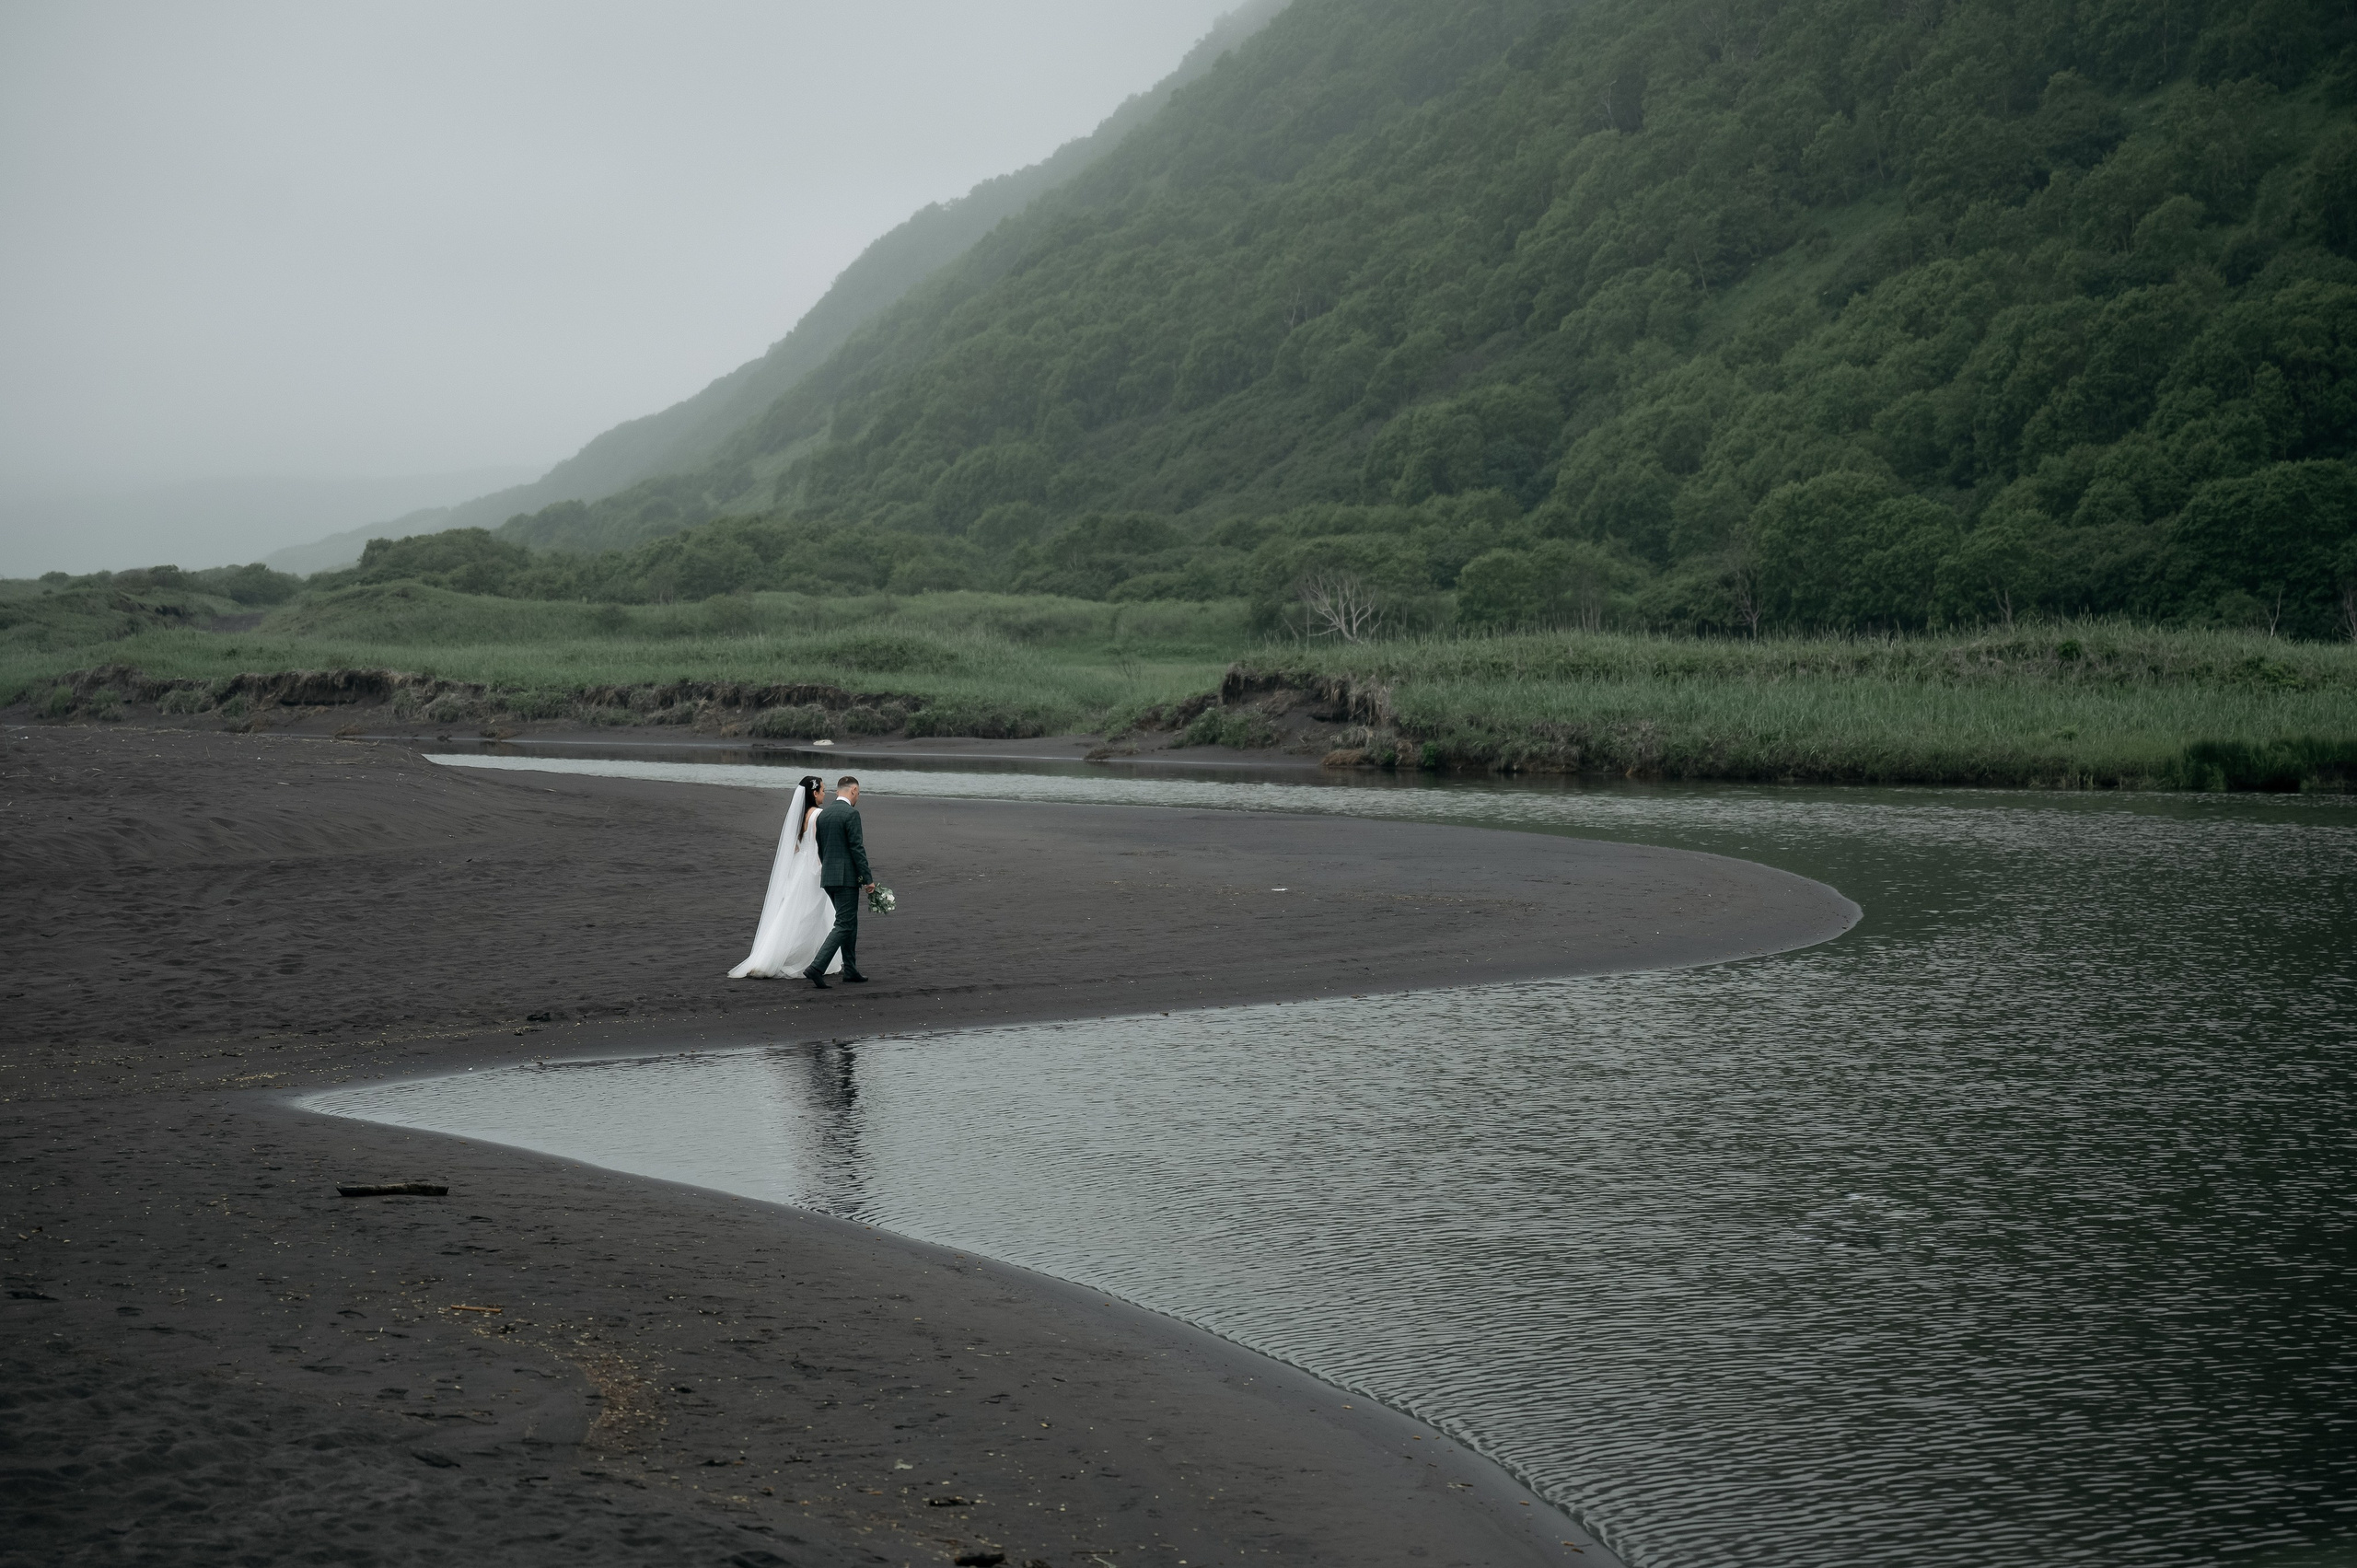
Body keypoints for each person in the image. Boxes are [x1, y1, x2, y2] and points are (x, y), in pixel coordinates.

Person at [726, 775, 844, 980]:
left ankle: (780, 955)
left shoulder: (800, 815)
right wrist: (822, 869)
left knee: (794, 912)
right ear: (814, 793)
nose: (826, 793)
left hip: (799, 868)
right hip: (812, 872)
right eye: (823, 790)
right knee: (809, 915)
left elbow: (797, 847)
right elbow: (819, 847)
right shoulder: (817, 814)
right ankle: (796, 958)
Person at [804, 774, 874, 988]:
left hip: (829, 878)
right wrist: (867, 879)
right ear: (852, 791)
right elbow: (856, 848)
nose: (858, 797)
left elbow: (821, 847)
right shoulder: (851, 814)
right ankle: (817, 967)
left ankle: (850, 969)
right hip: (846, 879)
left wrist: (829, 871)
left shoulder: (823, 816)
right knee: (844, 923)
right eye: (858, 793)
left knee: (848, 921)